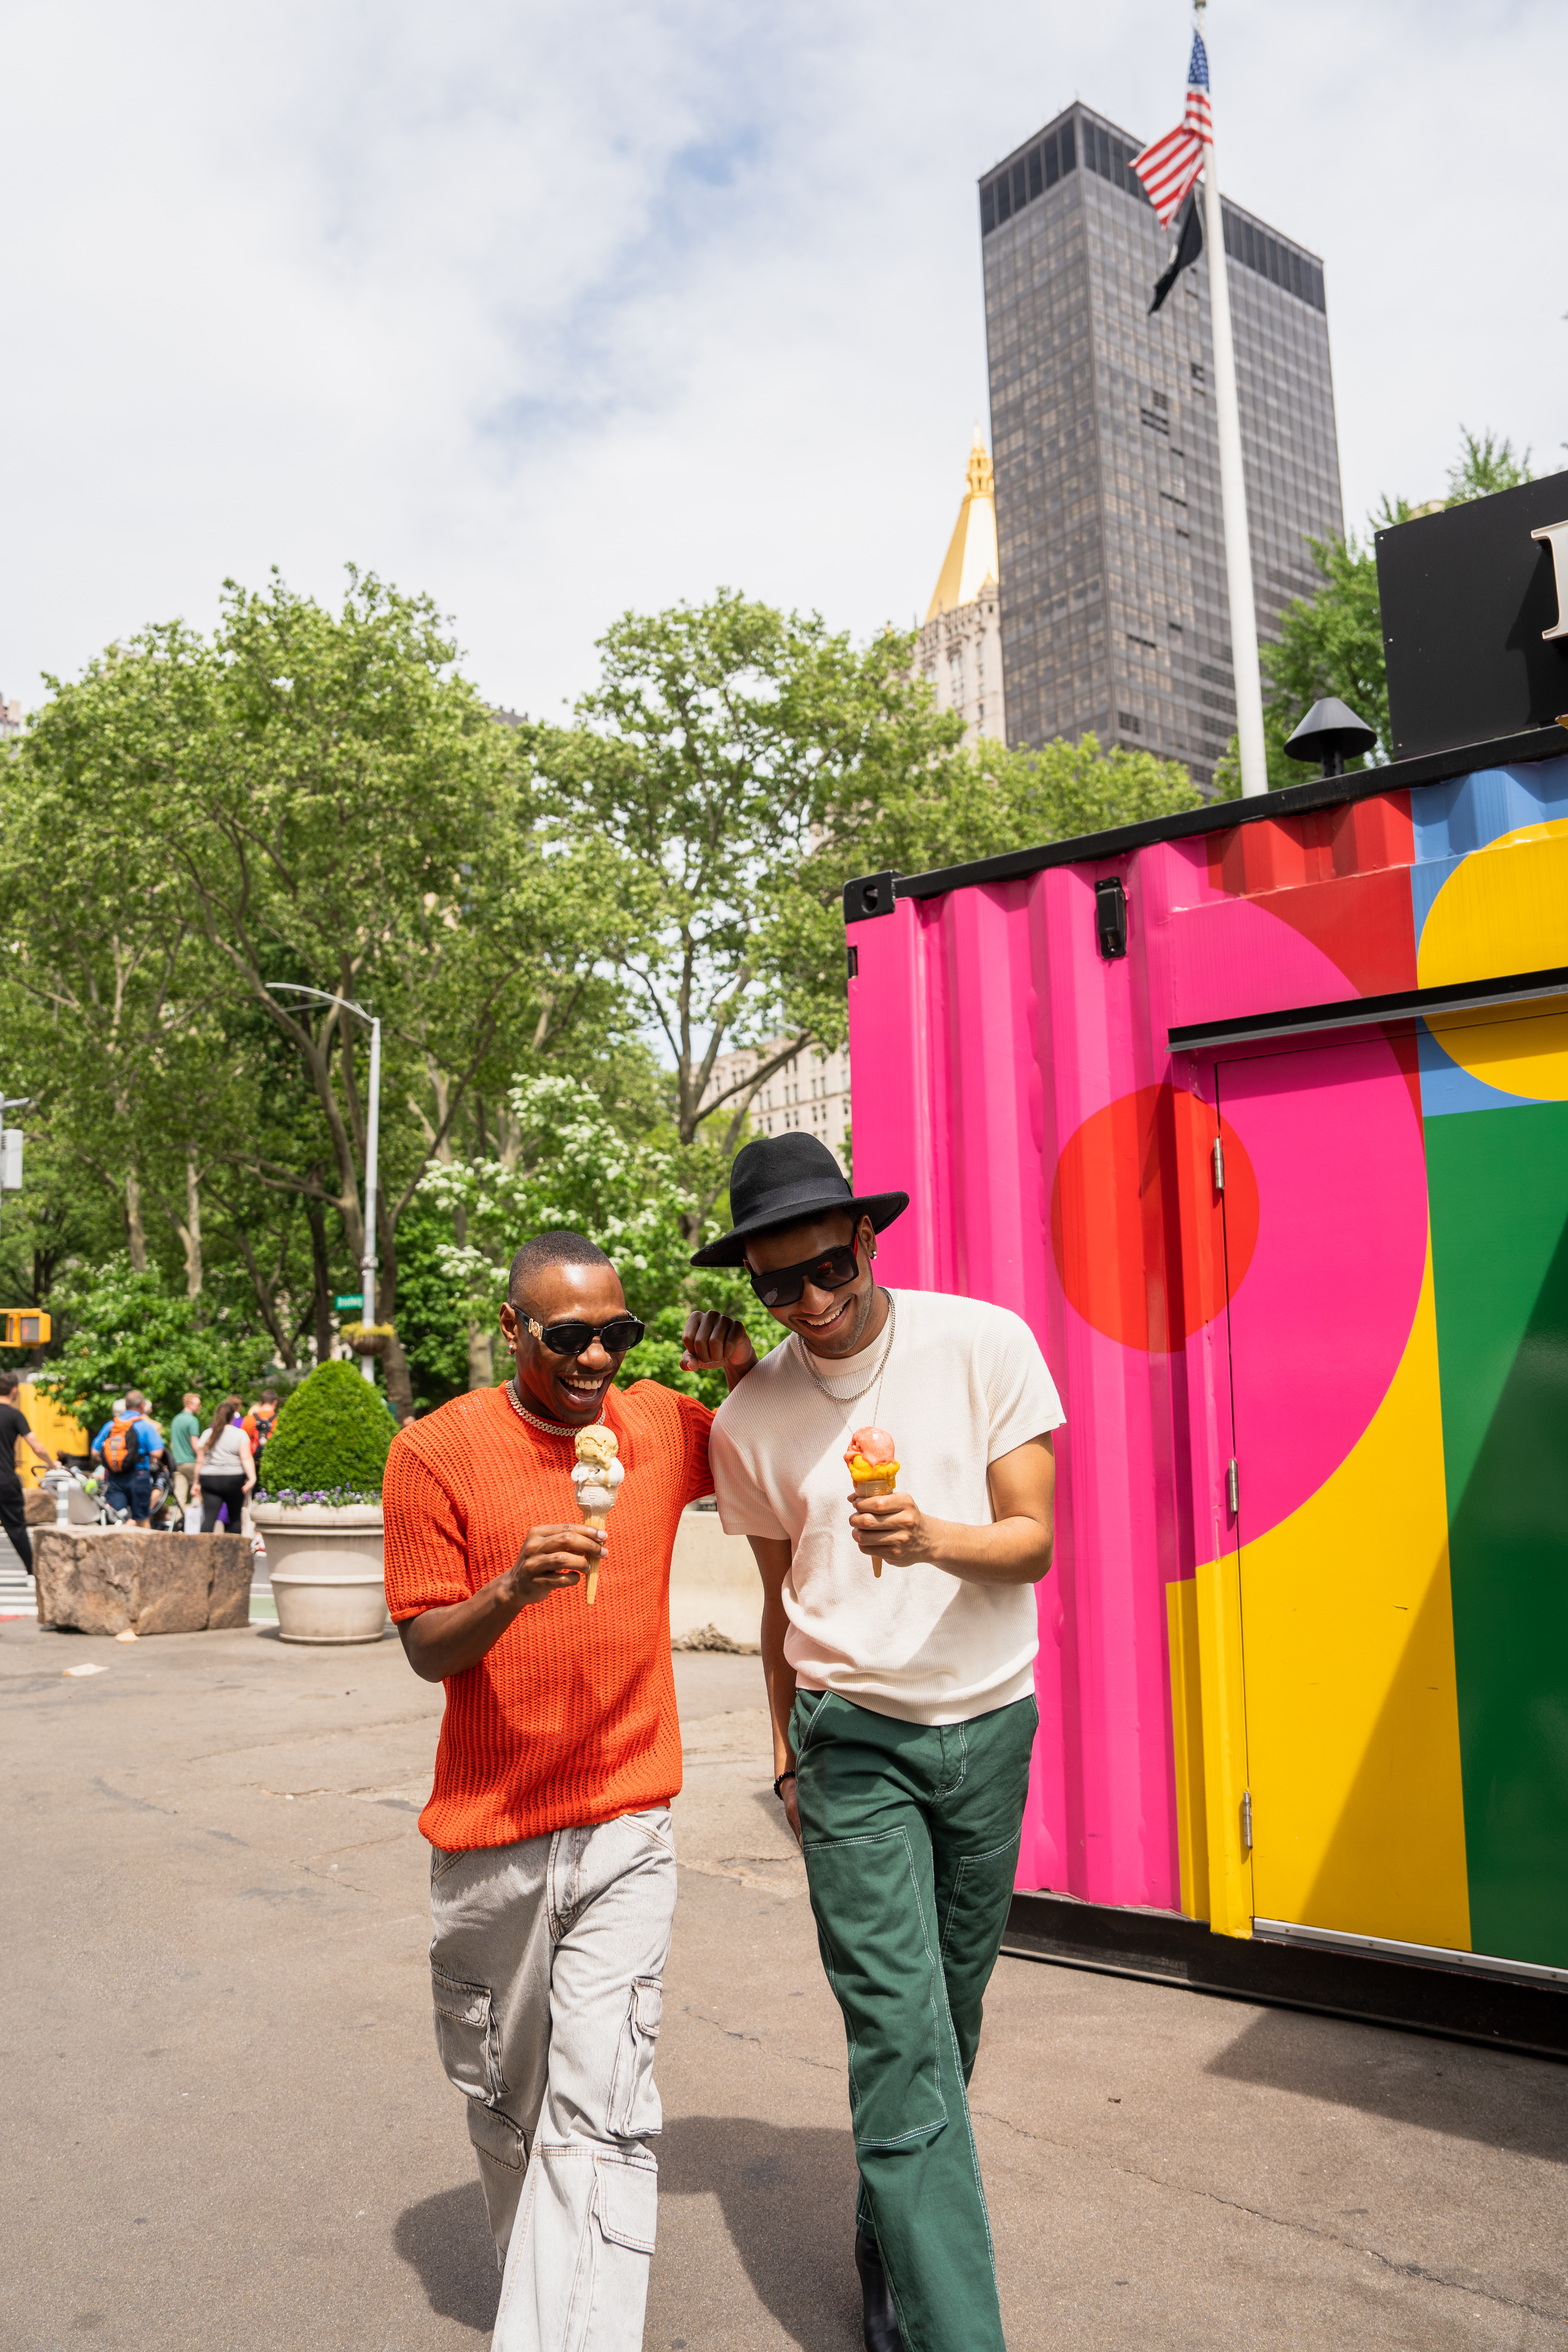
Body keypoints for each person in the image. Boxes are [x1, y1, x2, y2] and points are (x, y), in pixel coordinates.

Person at [683, 1134, 1063, 2352]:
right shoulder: (749, 1420)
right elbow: (776, 1604)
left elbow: (1032, 1540)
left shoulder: (982, 1343)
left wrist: (931, 1540)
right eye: (775, 1286)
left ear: (867, 1240)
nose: (808, 1303)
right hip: (850, 1743)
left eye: (826, 1269)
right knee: (896, 2039)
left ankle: (891, 2241)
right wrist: (784, 1755)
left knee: (948, 2024)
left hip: (987, 1726)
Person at [382, 1228, 754, 2352]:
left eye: (617, 1332)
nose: (597, 1356)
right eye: (569, 1335)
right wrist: (509, 1588)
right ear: (512, 1328)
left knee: (600, 2108)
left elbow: (772, 1441)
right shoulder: (437, 1451)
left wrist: (741, 1368)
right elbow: (427, 1649)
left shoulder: (654, 1424)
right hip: (489, 1843)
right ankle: (543, 2294)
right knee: (511, 2109)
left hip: (626, 1820)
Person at [0, 1367, 60, 1576]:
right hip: (5, 1480)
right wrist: (52, 1463)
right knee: (16, 1528)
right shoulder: (15, 1416)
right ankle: (34, 1571)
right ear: (15, 1391)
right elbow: (36, 1447)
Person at [90, 1390, 167, 1527]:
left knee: (117, 1519)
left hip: (114, 1477)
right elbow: (157, 1453)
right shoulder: (144, 1426)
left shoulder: (111, 1426)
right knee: (141, 1519)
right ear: (143, 1406)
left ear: (126, 1405)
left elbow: (95, 1452)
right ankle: (146, 1549)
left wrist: (113, 1462)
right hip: (138, 1475)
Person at [193, 1396, 255, 1533]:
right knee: (235, 1517)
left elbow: (200, 1461)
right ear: (233, 1417)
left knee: (210, 1517)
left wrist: (196, 1483)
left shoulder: (207, 1434)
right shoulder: (240, 1434)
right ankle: (233, 1552)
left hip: (209, 1479)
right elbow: (246, 1458)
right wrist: (252, 1478)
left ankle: (203, 1550)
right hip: (233, 1478)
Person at [168, 1392, 202, 1516]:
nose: (200, 1407)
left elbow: (172, 1444)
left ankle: (178, 1525)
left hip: (178, 1463)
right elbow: (195, 1444)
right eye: (198, 1404)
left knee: (180, 1498)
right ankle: (197, 1524)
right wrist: (202, 1458)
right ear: (189, 1404)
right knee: (199, 1492)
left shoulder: (176, 1420)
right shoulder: (193, 1421)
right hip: (192, 1463)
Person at [242, 1388, 280, 1481]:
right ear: (275, 1402)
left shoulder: (248, 1420)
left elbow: (242, 1444)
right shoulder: (279, 1421)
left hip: (253, 1465)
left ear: (261, 1402)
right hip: (272, 1465)